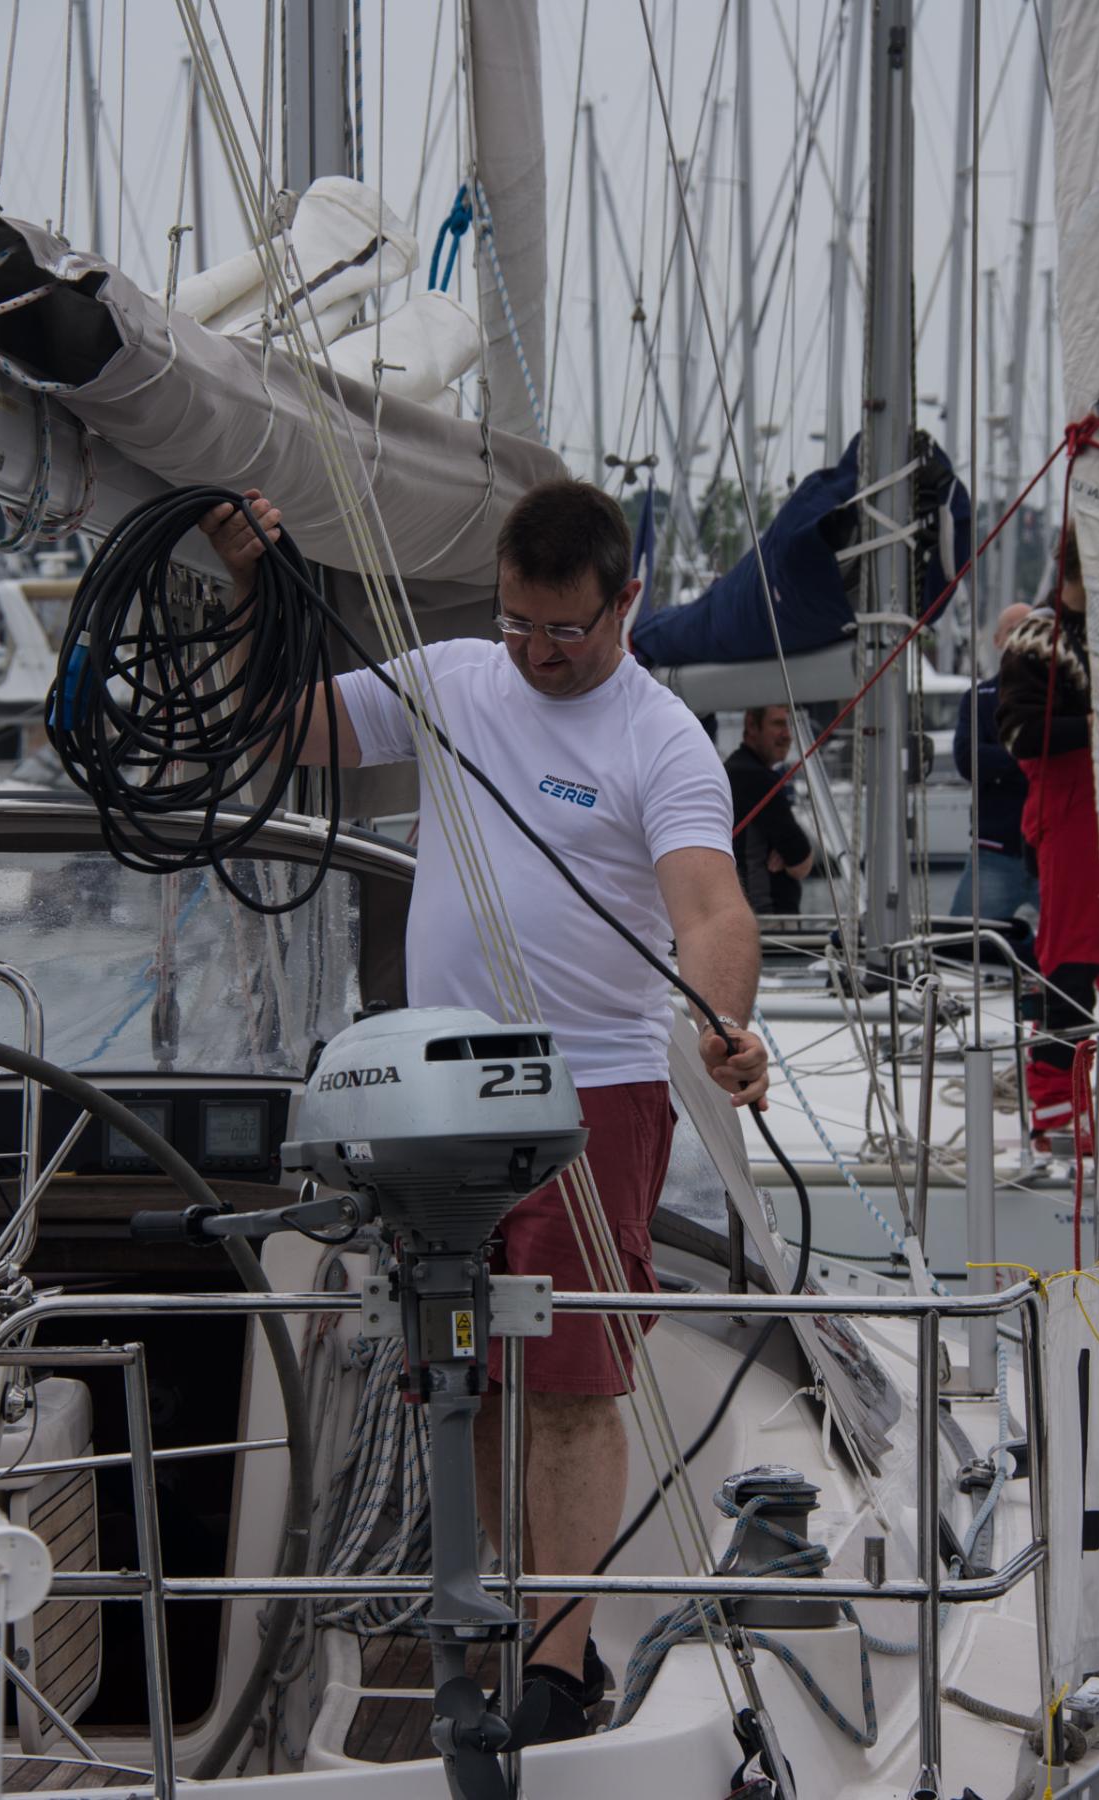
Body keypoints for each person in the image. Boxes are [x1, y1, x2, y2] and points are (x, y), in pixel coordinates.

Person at [202, 480, 768, 1738]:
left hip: (592, 1095)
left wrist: (723, 1022)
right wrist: (248, 584)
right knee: (459, 1373)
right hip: (441, 1093)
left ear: (626, 602)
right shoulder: (456, 679)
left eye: (565, 630)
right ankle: (491, 1620)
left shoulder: (661, 738)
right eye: (518, 624)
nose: (537, 654)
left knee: (566, 1383)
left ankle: (559, 1674)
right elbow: (283, 731)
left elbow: (712, 908)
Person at [996, 516, 1099, 1142]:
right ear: (1093, 561)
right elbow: (1018, 732)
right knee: (1070, 961)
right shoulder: (1035, 642)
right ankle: (1057, 1102)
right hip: (1070, 816)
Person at [949, 603, 1039, 923]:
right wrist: (1026, 755)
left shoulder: (1058, 698)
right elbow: (968, 760)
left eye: (1030, 629)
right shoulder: (980, 699)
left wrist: (1002, 758)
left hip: (1051, 851)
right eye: (1013, 630)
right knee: (960, 942)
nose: (1021, 637)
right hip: (994, 851)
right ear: (998, 640)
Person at [724, 705, 813, 915]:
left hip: (740, 912)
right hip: (769, 919)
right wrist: (789, 854)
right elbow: (800, 864)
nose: (787, 735)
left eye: (789, 725)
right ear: (751, 725)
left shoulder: (730, 770)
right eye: (778, 724)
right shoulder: (757, 779)